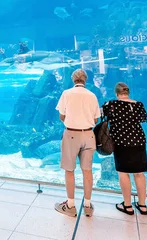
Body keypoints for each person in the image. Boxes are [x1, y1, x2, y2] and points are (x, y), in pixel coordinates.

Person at [54, 69, 100, 218]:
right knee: (87, 170)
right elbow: (95, 120)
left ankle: (71, 205)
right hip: (88, 135)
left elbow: (62, 115)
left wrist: (72, 120)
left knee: (69, 170)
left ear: (73, 79)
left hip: (71, 134)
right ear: (85, 80)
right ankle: (87, 205)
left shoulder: (66, 94)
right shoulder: (92, 95)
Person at [103, 82, 147, 216]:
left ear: (117, 94)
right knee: (139, 173)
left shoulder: (111, 104)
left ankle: (127, 205)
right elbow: (143, 119)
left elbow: (101, 116)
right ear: (128, 93)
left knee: (123, 173)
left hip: (121, 142)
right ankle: (143, 205)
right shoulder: (138, 105)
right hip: (139, 141)